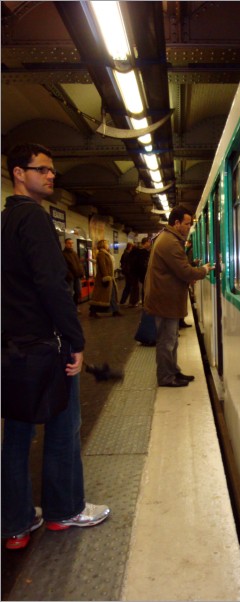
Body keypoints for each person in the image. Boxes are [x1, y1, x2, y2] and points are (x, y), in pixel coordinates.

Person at [1, 142, 110, 550]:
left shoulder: (5, 221)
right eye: (41, 169)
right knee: (64, 428)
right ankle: (64, 511)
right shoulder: (34, 219)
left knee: (15, 434)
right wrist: (76, 341)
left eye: (51, 171)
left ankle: (14, 523)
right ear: (18, 173)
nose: (50, 176)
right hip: (48, 347)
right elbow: (51, 284)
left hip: (12, 348)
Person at [143, 205, 214, 387]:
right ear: (176, 223)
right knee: (167, 341)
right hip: (165, 300)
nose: (189, 227)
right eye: (187, 224)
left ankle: (173, 371)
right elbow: (184, 271)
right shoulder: (170, 242)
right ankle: (166, 377)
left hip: (166, 298)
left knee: (171, 339)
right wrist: (203, 270)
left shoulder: (169, 238)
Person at [89, 239, 122, 318]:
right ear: (103, 245)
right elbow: (102, 266)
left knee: (110, 295)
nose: (108, 245)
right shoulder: (101, 254)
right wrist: (106, 276)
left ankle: (115, 310)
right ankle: (93, 311)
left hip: (109, 278)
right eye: (107, 244)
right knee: (100, 296)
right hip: (105, 278)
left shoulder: (105, 253)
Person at [128, 237, 152, 307]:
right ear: (146, 242)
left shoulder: (135, 250)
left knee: (136, 287)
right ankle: (142, 302)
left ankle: (135, 302)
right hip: (140, 272)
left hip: (135, 272)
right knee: (141, 287)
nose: (150, 244)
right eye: (149, 242)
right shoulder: (143, 252)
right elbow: (142, 263)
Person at [62, 237, 85, 311]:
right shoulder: (63, 254)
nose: (71, 244)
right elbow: (64, 266)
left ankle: (75, 307)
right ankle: (70, 308)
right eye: (69, 243)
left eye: (72, 243)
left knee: (78, 292)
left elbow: (78, 264)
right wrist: (69, 275)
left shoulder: (74, 253)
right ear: (65, 244)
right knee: (70, 293)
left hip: (77, 276)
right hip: (70, 277)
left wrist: (82, 273)